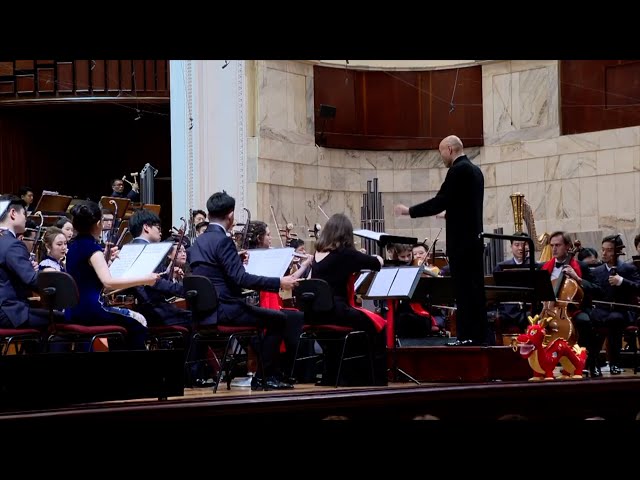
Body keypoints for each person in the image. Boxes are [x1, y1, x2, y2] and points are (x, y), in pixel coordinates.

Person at [187, 191, 304, 390]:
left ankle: (267, 375)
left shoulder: (198, 242)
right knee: (279, 318)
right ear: (231, 215)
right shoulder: (223, 241)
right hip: (225, 309)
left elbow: (211, 273)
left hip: (204, 312)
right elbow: (241, 279)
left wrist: (234, 260)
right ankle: (264, 377)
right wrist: (279, 282)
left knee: (274, 317)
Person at [394, 135, 488, 346]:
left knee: (463, 293)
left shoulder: (457, 170)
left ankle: (466, 339)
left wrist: (409, 211)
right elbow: (468, 207)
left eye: (441, 152)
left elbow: (441, 200)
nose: (441, 157)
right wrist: (449, 215)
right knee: (475, 292)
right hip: (474, 241)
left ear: (449, 149)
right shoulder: (476, 171)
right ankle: (480, 338)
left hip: (461, 244)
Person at [64, 200, 159, 350]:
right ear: (97, 224)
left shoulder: (73, 247)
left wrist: (105, 260)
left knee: (126, 325)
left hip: (73, 311)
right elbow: (108, 283)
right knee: (138, 324)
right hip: (91, 310)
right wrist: (146, 279)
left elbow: (86, 278)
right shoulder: (92, 248)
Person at [309, 213, 388, 385]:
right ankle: (375, 379)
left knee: (360, 326)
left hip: (315, 313)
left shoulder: (317, 255)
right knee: (379, 326)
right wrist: (379, 257)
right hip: (336, 311)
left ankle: (335, 375)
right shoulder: (345, 254)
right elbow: (376, 263)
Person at [538, 231, 601, 376]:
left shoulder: (581, 267)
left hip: (575, 309)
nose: (554, 249)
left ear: (567, 246)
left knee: (584, 322)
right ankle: (539, 366)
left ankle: (589, 363)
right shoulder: (544, 268)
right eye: (552, 245)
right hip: (550, 310)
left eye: (558, 245)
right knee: (533, 326)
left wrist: (577, 278)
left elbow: (597, 289)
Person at [0, 195, 56, 331]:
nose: (26, 218)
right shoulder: (13, 245)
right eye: (24, 214)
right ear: (13, 213)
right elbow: (31, 280)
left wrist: (27, 269)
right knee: (61, 321)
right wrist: (50, 274)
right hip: (9, 312)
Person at [589, 234, 640, 376]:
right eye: (603, 249)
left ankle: (614, 363)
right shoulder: (598, 271)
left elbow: (638, 287)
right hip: (602, 310)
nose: (604, 253)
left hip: (621, 310)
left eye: (609, 250)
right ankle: (592, 362)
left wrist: (622, 281)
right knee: (589, 320)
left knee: (614, 320)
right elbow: (594, 292)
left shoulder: (628, 269)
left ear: (617, 251)